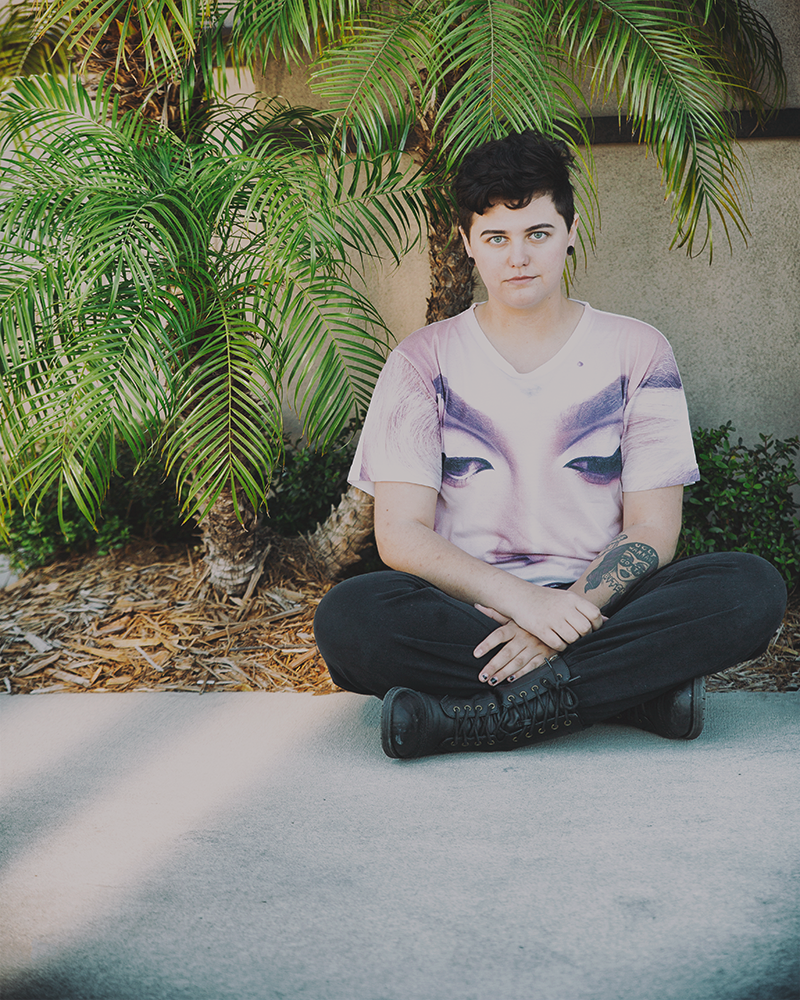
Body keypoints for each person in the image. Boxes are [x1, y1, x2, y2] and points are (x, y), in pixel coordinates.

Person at [313, 130, 787, 760]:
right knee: (350, 619)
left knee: (750, 588)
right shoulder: (420, 361)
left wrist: (560, 620)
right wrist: (525, 606)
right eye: (497, 238)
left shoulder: (637, 350)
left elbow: (653, 529)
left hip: (603, 605)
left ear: (569, 232)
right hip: (470, 613)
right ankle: (635, 695)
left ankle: (464, 720)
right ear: (468, 245)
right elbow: (401, 535)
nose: (519, 257)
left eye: (537, 233)